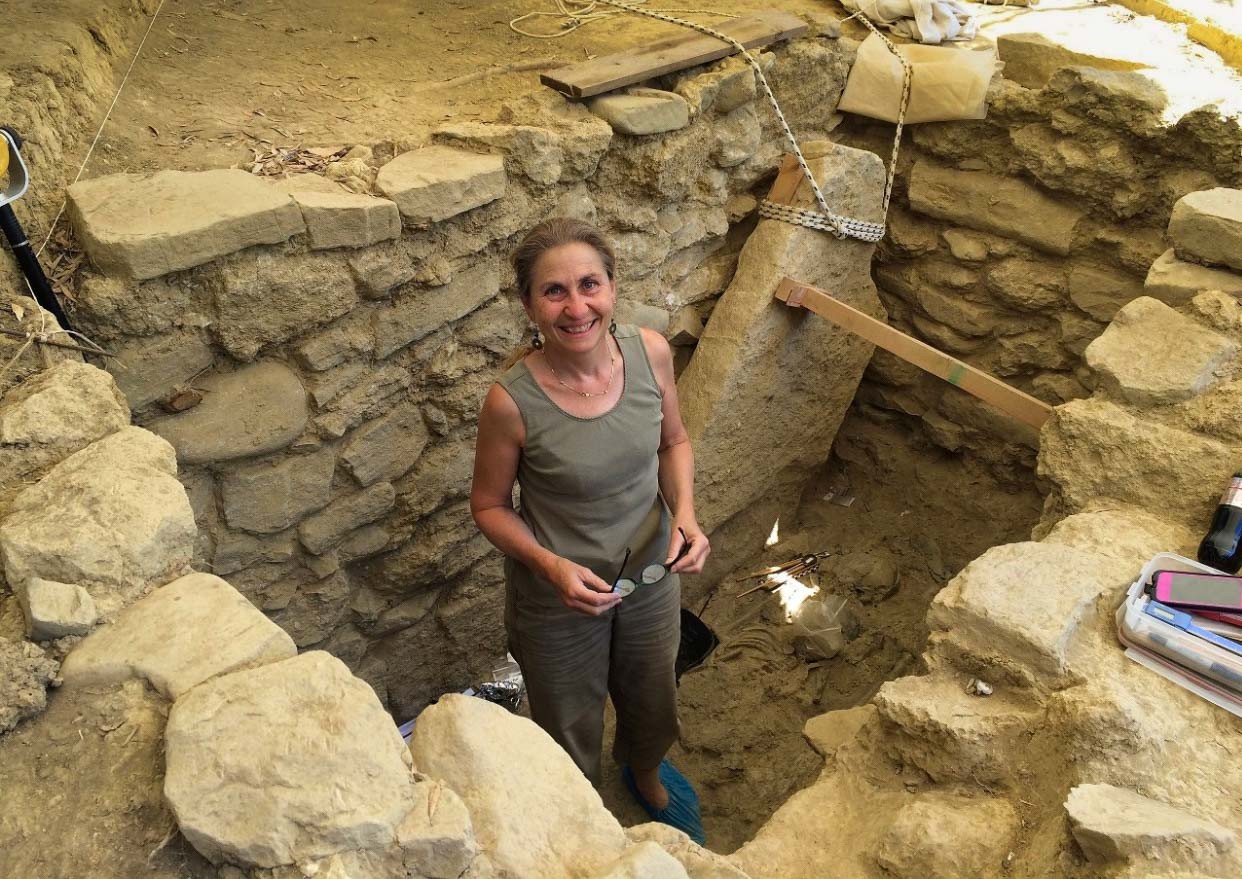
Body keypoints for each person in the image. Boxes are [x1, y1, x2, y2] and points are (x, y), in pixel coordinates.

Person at [470, 217, 710, 843]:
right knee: (568, 717)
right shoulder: (511, 402)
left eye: (589, 284)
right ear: (528, 304)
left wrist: (684, 513)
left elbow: (674, 441)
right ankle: (584, 817)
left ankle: (646, 771)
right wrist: (549, 566)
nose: (577, 307)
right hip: (560, 595)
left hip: (653, 573)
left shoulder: (651, 351)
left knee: (652, 690)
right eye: (554, 292)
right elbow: (490, 506)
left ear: (611, 286)